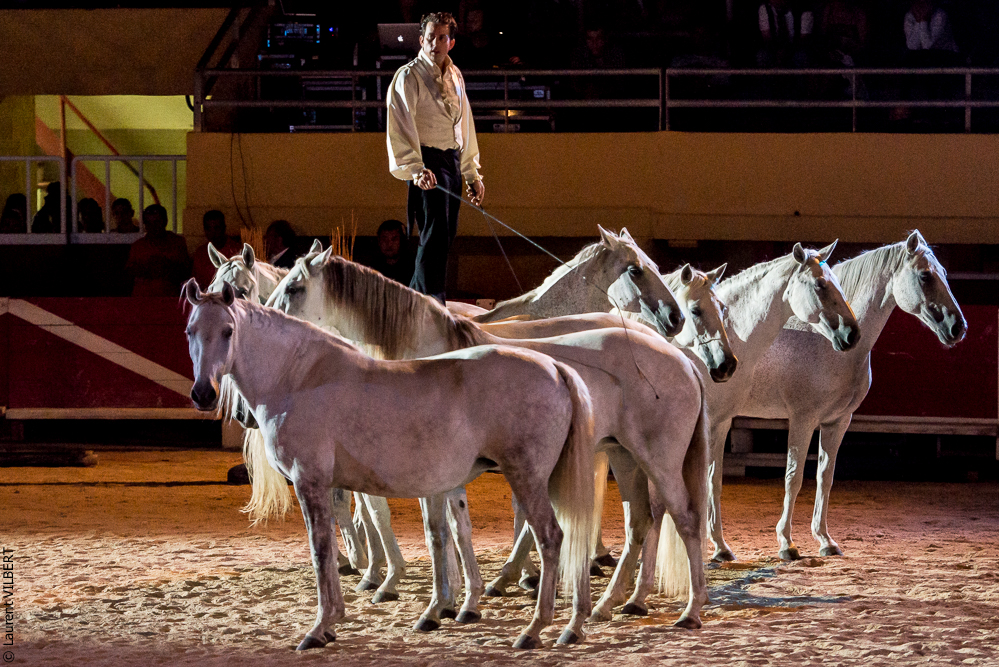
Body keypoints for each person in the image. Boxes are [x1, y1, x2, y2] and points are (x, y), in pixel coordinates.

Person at [387, 11, 484, 304]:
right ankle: (429, 298)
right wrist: (416, 169)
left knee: (447, 232)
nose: (435, 43)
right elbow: (400, 123)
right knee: (435, 230)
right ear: (421, 39)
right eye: (430, 37)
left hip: (452, 160)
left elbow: (464, 125)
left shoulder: (455, 75)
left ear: (451, 42)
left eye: (442, 37)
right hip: (427, 159)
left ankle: (421, 295)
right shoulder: (408, 76)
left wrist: (471, 173)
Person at [124, 204, 191, 296]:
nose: (153, 227)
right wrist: (147, 268)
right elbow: (129, 274)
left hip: (169, 298)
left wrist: (167, 266)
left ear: (165, 222)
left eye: (157, 222)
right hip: (142, 299)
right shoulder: (138, 246)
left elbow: (185, 271)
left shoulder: (177, 243)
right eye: (148, 223)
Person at [192, 209, 242, 288]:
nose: (213, 233)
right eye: (209, 229)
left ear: (224, 228)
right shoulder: (200, 253)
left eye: (217, 228)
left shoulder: (236, 251)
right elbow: (197, 283)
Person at [369, 219, 415, 286]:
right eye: (384, 239)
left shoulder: (412, 267)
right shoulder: (373, 268)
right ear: (379, 241)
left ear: (402, 241)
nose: (389, 244)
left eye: (394, 239)